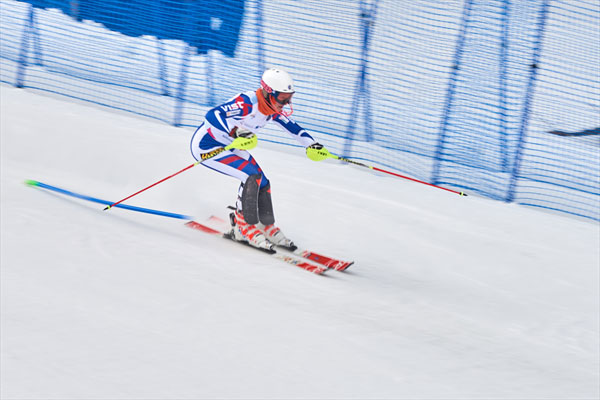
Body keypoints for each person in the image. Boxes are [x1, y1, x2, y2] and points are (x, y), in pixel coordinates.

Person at [190, 67, 330, 252]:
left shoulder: (271, 108)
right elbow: (212, 115)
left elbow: (293, 128)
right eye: (283, 97)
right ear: (268, 92)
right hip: (208, 147)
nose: (287, 103)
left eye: (290, 97)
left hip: (232, 145)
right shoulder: (247, 103)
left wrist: (312, 144)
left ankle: (266, 226)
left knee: (263, 182)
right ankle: (241, 226)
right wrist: (235, 130)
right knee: (250, 176)